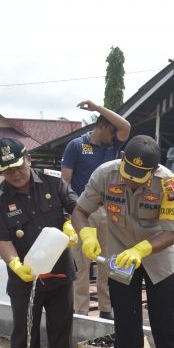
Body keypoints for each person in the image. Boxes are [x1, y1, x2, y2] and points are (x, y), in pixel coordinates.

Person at [72, 135, 174, 348]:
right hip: (118, 257)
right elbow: (80, 210)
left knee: (165, 325)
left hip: (157, 258)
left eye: (140, 178)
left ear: (153, 170)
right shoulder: (105, 174)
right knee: (126, 326)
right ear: (123, 155)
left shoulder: (167, 182)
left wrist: (142, 249)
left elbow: (172, 231)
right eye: (129, 174)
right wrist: (86, 233)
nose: (132, 182)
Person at [0, 138, 79, 348]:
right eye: (7, 170)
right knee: (24, 333)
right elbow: (3, 241)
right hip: (25, 278)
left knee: (61, 328)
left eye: (18, 166)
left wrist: (71, 225)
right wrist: (15, 265)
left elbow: (76, 208)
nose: (14, 173)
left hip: (60, 273)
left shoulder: (53, 182)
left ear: (29, 160)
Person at [62, 100, 131, 320]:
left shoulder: (113, 146)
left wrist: (98, 108)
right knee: (81, 264)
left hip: (110, 211)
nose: (114, 137)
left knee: (107, 262)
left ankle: (106, 309)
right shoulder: (76, 146)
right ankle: (81, 310)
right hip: (83, 211)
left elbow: (125, 127)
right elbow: (66, 181)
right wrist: (68, 213)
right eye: (111, 133)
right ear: (101, 127)